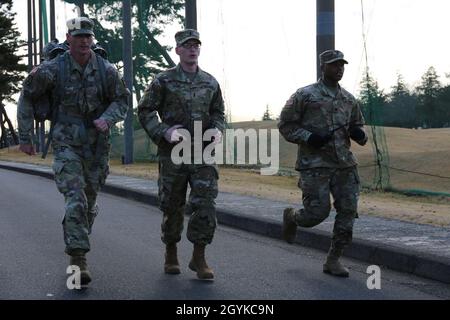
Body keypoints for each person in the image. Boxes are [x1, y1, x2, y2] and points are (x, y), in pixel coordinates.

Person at [17, 17, 129, 287]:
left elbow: (122, 99)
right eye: (78, 37)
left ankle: (77, 231)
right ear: (68, 38)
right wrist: (25, 136)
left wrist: (109, 118)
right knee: (75, 197)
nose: (83, 41)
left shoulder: (106, 69)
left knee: (88, 203)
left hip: (97, 147)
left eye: (87, 37)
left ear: (92, 39)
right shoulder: (53, 69)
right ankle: (78, 261)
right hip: (66, 143)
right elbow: (27, 96)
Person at [137, 29, 225, 280]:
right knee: (172, 204)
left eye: (196, 45)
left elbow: (219, 113)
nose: (192, 49)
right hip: (173, 153)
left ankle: (199, 257)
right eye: (187, 45)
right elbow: (145, 111)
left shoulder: (210, 82)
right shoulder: (163, 80)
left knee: (206, 203)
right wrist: (164, 131)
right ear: (177, 50)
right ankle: (171, 251)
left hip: (203, 153)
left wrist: (218, 130)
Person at [278, 50, 368, 277]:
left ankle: (333, 260)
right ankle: (293, 217)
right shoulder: (305, 95)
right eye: (334, 65)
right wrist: (309, 137)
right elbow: (285, 125)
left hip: (345, 165)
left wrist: (359, 135)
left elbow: (359, 127)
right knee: (316, 213)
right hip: (315, 164)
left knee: (348, 211)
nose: (339, 69)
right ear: (323, 67)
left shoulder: (349, 99)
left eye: (342, 65)